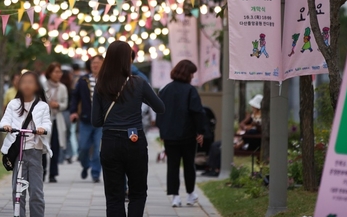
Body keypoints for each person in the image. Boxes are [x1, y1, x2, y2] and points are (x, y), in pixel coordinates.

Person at [92, 41, 165, 217]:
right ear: (128, 59)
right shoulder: (139, 83)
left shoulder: (101, 84)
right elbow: (160, 107)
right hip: (134, 140)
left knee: (114, 196)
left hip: (110, 141)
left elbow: (96, 121)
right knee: (138, 192)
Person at [0, 71, 52, 217]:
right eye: (24, 82)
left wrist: (43, 129)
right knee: (18, 190)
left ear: (36, 86)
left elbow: (47, 123)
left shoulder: (42, 106)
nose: (27, 85)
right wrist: (6, 126)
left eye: (30, 82)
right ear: (18, 85)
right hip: (18, 152)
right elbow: (5, 120)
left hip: (34, 151)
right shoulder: (13, 104)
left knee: (36, 191)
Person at [156, 60, 206, 208]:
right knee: (189, 164)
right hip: (188, 135)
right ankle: (190, 194)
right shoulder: (190, 90)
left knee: (172, 165)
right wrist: (200, 132)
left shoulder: (165, 90)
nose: (192, 76)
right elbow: (197, 112)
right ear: (187, 74)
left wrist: (162, 131)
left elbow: (160, 112)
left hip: (170, 136)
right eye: (191, 73)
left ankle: (175, 197)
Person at [203, 94, 263, 177]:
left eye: (254, 106)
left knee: (221, 148)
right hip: (239, 138)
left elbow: (256, 130)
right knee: (214, 145)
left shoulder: (262, 119)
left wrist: (253, 126)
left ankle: (217, 169)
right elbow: (242, 124)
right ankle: (210, 168)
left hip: (245, 142)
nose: (252, 108)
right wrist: (247, 126)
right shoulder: (252, 116)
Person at [69, 54, 103, 182]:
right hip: (85, 119)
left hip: (101, 121)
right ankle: (85, 165)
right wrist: (73, 111)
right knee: (83, 147)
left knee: (98, 149)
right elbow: (75, 97)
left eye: (98, 63)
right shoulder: (83, 80)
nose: (95, 65)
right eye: (93, 63)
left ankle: (95, 173)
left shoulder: (107, 80)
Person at [44, 63, 68, 183]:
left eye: (60, 72)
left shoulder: (62, 87)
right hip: (44, 119)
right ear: (50, 73)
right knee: (42, 145)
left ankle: (53, 173)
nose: (58, 74)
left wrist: (57, 105)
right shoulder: (43, 86)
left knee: (55, 146)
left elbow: (65, 104)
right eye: (56, 72)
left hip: (57, 120)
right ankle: (42, 171)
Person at [60, 70, 75, 163]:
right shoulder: (70, 88)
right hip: (67, 112)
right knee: (68, 135)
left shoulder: (61, 87)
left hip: (62, 112)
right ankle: (69, 154)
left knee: (61, 135)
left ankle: (62, 156)